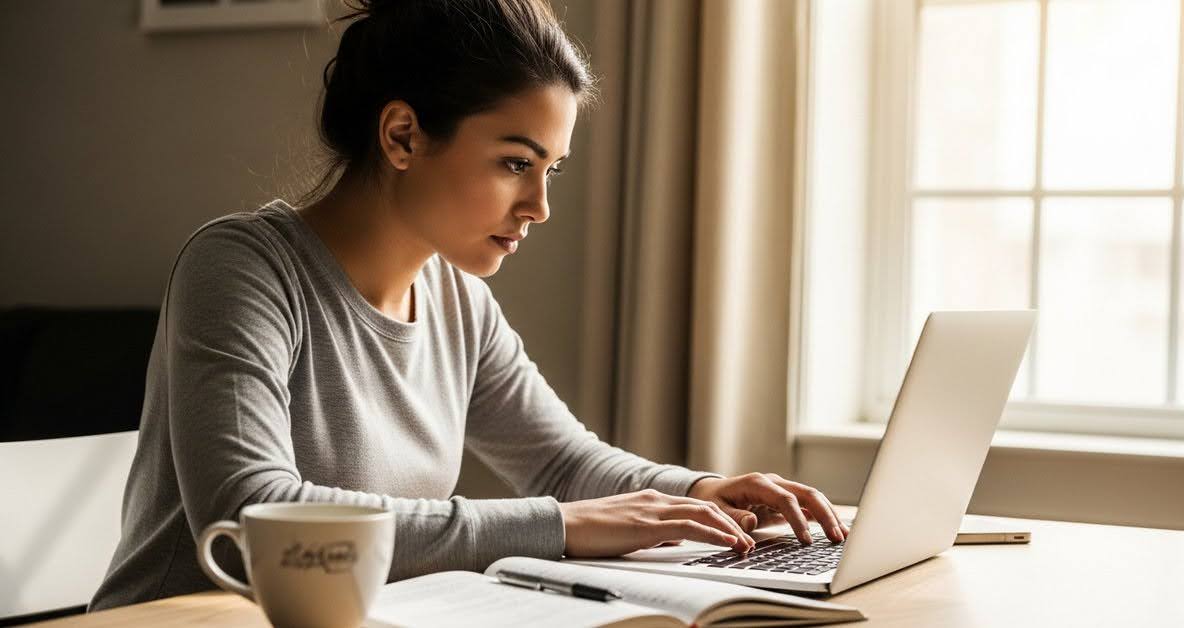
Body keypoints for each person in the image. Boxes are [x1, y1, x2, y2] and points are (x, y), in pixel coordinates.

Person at [89, 0, 848, 611]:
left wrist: (699, 491)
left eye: (551, 168)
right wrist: (561, 528)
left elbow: (559, 461)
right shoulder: (242, 267)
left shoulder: (460, 301)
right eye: (516, 163)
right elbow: (254, 511)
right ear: (402, 135)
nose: (540, 205)